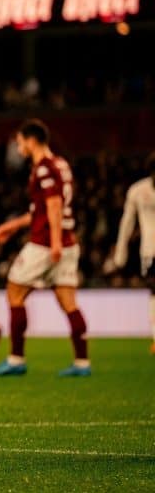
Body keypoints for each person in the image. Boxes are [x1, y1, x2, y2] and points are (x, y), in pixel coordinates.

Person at [0, 119, 91, 377]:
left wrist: (54, 242)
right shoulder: (61, 164)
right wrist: (12, 226)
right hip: (69, 242)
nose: (19, 147)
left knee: (14, 291)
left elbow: (54, 205)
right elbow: (42, 209)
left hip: (46, 242)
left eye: (20, 142)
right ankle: (82, 363)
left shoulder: (43, 168)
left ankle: (16, 359)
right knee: (68, 301)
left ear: (31, 140)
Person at [112, 151, 155, 354]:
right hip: (150, 251)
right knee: (154, 291)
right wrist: (120, 251)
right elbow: (127, 222)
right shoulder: (138, 190)